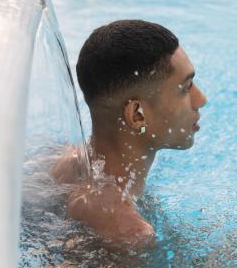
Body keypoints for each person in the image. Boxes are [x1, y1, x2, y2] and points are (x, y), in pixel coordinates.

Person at [51, 19, 207, 248]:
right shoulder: (130, 235)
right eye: (185, 88)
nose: (201, 99)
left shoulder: (66, 162)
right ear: (138, 115)